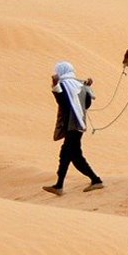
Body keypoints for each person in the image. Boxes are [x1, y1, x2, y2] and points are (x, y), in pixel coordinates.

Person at [44, 61, 103, 195]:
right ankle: (59, 185)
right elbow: (86, 105)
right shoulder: (80, 85)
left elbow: (64, 103)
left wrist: (55, 86)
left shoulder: (64, 85)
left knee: (74, 157)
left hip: (72, 125)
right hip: (79, 125)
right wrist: (87, 88)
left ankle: (96, 180)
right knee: (66, 155)